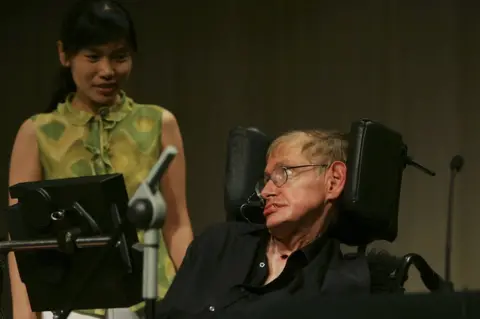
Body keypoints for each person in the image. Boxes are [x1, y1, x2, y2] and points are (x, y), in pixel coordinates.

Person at [7, 1, 194, 318]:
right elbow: (23, 243)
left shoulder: (158, 123)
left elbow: (176, 225)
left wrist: (196, 299)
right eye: (93, 57)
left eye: (120, 57)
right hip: (70, 303)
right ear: (64, 55)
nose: (107, 71)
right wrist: (25, 315)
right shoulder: (37, 132)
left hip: (151, 298)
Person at [155, 129, 372, 319]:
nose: (266, 192)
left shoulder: (339, 285)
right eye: (266, 180)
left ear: (333, 180)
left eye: (283, 173)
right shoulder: (218, 244)